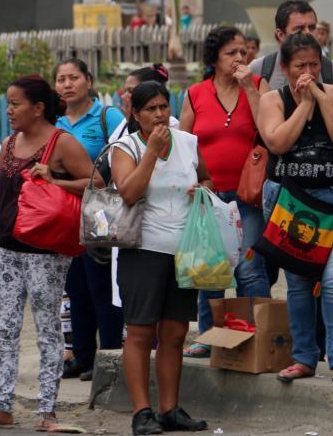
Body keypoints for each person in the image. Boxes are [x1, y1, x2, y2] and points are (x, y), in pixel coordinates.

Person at [0, 76, 98, 430]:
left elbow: (96, 183)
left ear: (38, 109)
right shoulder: (8, 144)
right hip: (6, 248)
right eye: (8, 103)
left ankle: (47, 412)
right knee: (5, 327)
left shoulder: (62, 143)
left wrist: (54, 180)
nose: (8, 110)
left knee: (46, 328)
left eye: (15, 103)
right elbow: (1, 189)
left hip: (47, 252)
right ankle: (2, 407)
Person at [110, 81, 212, 435]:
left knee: (175, 332)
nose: (158, 114)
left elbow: (208, 179)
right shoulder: (126, 146)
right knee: (140, 332)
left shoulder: (188, 141)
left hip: (185, 248)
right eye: (150, 109)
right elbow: (129, 192)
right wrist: (151, 152)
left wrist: (203, 190)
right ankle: (142, 411)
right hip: (143, 249)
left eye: (163, 107)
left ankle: (170, 408)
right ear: (135, 114)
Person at [257, 33, 333, 386]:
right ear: (284, 68)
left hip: (332, 199)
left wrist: (319, 97)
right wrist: (303, 106)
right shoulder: (272, 99)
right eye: (300, 65)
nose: (308, 71)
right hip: (291, 202)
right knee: (298, 283)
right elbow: (277, 142)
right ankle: (303, 357)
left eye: (314, 65)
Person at [180, 26, 270, 358]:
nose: (240, 57)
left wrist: (249, 86)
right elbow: (184, 144)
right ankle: (209, 335)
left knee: (248, 266)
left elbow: (269, 129)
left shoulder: (258, 85)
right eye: (231, 52)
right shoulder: (195, 94)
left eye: (243, 51)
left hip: (249, 195)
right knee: (211, 267)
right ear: (215, 58)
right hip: (209, 194)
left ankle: (255, 333)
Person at [54, 58, 126, 381]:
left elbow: (123, 155)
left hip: (101, 211)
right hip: (66, 213)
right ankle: (82, 356)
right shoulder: (54, 122)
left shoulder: (107, 116)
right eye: (61, 79)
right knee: (75, 288)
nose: (67, 84)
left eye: (73, 77)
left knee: (101, 286)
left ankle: (108, 356)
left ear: (88, 81)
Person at [249, 0, 333, 124]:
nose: (308, 33)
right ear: (280, 34)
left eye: (312, 27)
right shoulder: (260, 68)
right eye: (299, 29)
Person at [109, 65, 178, 142]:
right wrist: (130, 121)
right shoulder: (124, 123)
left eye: (131, 91)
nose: (123, 97)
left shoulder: (172, 125)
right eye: (125, 91)